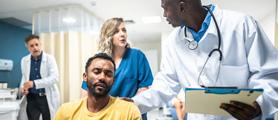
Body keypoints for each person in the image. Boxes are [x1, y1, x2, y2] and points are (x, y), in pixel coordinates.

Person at [131, 0, 278, 119]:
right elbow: (165, 85)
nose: (164, 15)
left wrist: (259, 105)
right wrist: (132, 104)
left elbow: (270, 75)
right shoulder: (173, 42)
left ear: (182, 6)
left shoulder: (241, 25)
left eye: (165, 8)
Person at [81, 17, 153, 120]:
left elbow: (144, 88)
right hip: (106, 115)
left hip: (131, 114)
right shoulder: (98, 60)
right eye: (116, 31)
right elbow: (85, 92)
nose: (122, 34)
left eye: (124, 30)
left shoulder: (137, 56)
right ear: (108, 35)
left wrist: (126, 105)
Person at [55, 53, 142, 120]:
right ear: (85, 77)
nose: (102, 77)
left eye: (108, 74)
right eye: (97, 72)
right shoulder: (66, 112)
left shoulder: (129, 112)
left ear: (113, 80)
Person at [19, 35, 60, 120]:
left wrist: (34, 83)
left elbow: (55, 78)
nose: (35, 48)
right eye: (32, 46)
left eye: (37, 44)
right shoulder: (24, 60)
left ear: (40, 44)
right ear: (28, 48)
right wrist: (23, 88)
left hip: (46, 97)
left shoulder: (49, 58)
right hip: (31, 98)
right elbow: (25, 77)